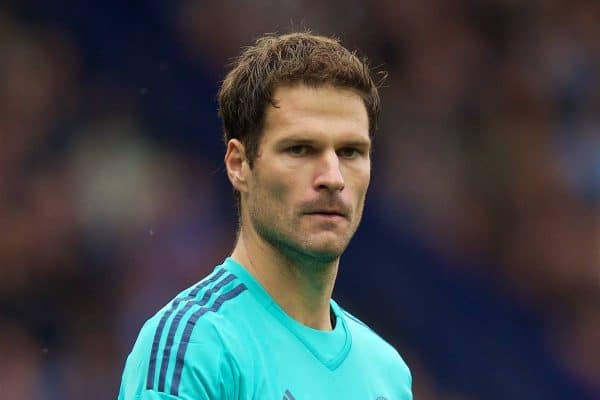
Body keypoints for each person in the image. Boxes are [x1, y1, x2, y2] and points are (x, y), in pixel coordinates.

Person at [118, 31, 413, 400]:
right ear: (239, 164)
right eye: (300, 149)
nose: (333, 178)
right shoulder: (196, 345)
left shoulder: (387, 374)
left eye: (351, 152)